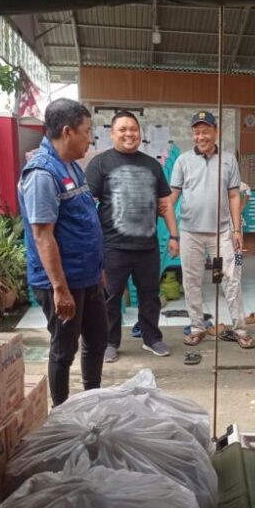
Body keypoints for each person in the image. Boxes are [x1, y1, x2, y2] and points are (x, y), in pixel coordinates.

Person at [18, 99, 106, 406]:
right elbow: (43, 236)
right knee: (64, 349)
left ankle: (91, 402)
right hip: (63, 282)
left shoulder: (70, 166)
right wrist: (59, 288)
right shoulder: (42, 174)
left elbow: (84, 219)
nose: (90, 139)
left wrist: (98, 268)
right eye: (86, 132)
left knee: (97, 340)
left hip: (87, 276)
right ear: (67, 132)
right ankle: (62, 411)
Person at [85, 110, 178, 362]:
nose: (129, 134)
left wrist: (174, 235)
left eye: (133, 129)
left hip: (147, 247)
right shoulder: (100, 164)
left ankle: (152, 338)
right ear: (112, 134)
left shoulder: (152, 165)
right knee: (110, 298)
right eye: (123, 129)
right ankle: (109, 342)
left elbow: (165, 203)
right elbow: (87, 205)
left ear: (140, 133)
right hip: (112, 246)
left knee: (150, 295)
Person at [170, 111, 254, 349]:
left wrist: (238, 230)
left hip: (223, 233)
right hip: (190, 233)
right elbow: (172, 198)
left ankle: (239, 328)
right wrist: (172, 233)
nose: (201, 136)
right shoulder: (183, 161)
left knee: (231, 279)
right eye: (196, 132)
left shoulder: (228, 160)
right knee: (191, 281)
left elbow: (234, 195)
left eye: (205, 131)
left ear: (216, 132)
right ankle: (197, 327)